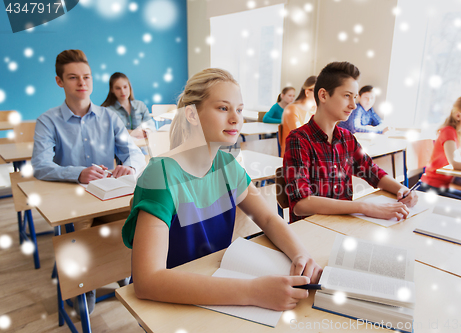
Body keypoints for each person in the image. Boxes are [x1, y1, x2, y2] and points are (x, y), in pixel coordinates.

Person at [122, 68, 322, 311]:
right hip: (170, 303)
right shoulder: (160, 175)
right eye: (223, 108)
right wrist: (253, 291)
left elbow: (268, 218)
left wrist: (301, 254)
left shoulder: (227, 166)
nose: (236, 118)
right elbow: (147, 280)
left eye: (239, 109)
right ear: (192, 115)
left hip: (215, 285)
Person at [31, 49, 145, 314]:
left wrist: (128, 167)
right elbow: (40, 166)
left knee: (138, 216)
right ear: (60, 81)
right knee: (82, 231)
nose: (82, 83)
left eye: (87, 77)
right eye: (73, 78)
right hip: (74, 200)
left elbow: (135, 153)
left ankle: (121, 267)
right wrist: (78, 173)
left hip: (109, 194)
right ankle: (86, 285)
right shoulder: (47, 121)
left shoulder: (109, 117)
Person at [283, 61, 418, 223]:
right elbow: (301, 204)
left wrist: (402, 189)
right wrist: (364, 207)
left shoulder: (346, 138)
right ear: (323, 95)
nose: (354, 105)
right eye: (347, 96)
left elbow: (372, 171)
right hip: (312, 230)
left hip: (344, 225)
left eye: (354, 97)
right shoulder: (299, 139)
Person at [102, 72, 154, 139]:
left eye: (125, 87)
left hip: (142, 147)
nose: (123, 91)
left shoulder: (140, 106)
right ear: (112, 90)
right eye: (118, 88)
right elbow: (108, 133)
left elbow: (151, 126)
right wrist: (132, 133)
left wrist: (146, 131)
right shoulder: (107, 111)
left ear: (129, 86)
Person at [281, 76, 317, 155]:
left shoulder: (313, 110)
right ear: (307, 92)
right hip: (294, 155)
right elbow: (300, 137)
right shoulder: (292, 109)